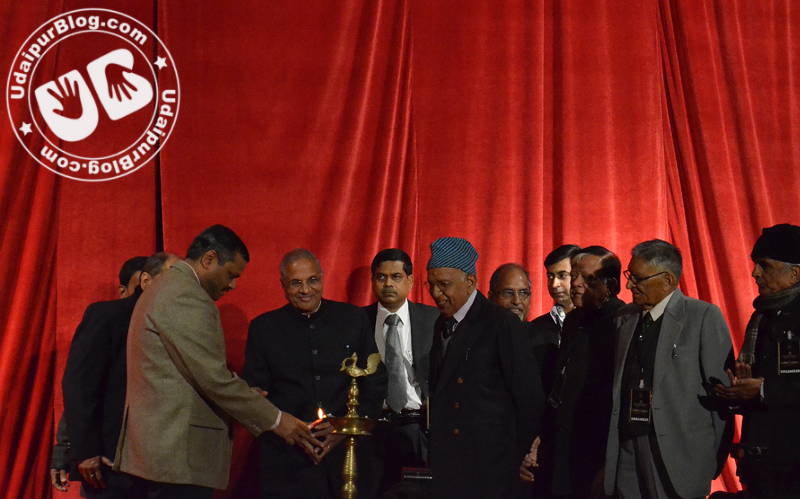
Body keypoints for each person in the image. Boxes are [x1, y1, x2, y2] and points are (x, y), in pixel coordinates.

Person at [115, 226, 320, 499]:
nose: (232, 285)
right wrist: (277, 420)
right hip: (177, 457)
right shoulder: (186, 295)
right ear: (209, 259)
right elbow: (212, 378)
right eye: (231, 274)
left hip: (163, 454)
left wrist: (244, 396)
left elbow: (190, 373)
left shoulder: (166, 286)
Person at [243, 248, 387, 499]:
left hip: (347, 457)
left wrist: (344, 427)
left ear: (322, 279)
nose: (305, 290)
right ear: (283, 284)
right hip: (287, 462)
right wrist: (284, 426)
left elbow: (375, 381)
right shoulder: (263, 328)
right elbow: (254, 394)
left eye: (312, 280)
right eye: (295, 283)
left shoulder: (353, 318)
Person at [605, 239, 733, 499]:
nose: (629, 285)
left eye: (638, 278)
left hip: (679, 456)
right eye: (629, 276)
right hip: (628, 449)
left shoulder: (702, 316)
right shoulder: (623, 319)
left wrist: (713, 459)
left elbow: (722, 397)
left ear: (668, 280)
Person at [425, 237, 544, 499]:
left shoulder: (500, 323)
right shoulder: (442, 323)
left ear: (470, 282)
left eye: (444, 284)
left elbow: (530, 399)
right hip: (450, 466)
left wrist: (515, 457)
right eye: (431, 284)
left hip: (491, 471)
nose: (435, 293)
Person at [62, 253, 179, 498]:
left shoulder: (181, 324)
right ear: (145, 281)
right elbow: (79, 384)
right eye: (172, 278)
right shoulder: (107, 315)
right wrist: (86, 450)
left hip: (164, 464)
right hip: (110, 463)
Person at [521, 246, 625, 499]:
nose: (576, 283)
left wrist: (609, 465)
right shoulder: (573, 320)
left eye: (589, 279)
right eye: (575, 275)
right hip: (562, 444)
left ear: (610, 285)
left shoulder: (622, 322)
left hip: (596, 450)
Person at [51, 255, 149, 494]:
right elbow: (80, 390)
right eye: (141, 287)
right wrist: (66, 452)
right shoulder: (107, 318)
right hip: (108, 466)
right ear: (123, 291)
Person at [715, 223, 800, 498]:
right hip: (761, 461)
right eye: (755, 264)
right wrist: (739, 392)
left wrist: (762, 390)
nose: (755, 273)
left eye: (765, 265)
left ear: (795, 273)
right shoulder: (761, 316)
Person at [363, 249, 439, 493]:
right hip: (373, 428)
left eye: (396, 277)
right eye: (381, 277)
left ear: (410, 281)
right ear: (372, 281)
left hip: (419, 428)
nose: (388, 284)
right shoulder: (357, 321)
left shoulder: (434, 319)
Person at [530, 244, 582, 347]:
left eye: (562, 276)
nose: (554, 284)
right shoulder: (535, 327)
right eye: (550, 276)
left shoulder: (597, 321)